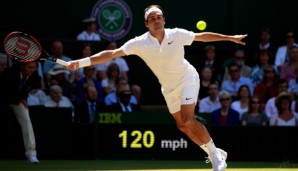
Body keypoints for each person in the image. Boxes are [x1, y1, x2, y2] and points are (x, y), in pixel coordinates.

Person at [67, 5, 247, 171]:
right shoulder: (139, 43)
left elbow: (202, 36)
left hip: (188, 80)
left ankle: (215, 155)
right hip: (168, 88)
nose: (156, 20)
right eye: (152, 18)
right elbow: (111, 54)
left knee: (188, 119)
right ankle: (215, 152)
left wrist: (229, 38)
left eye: (159, 17)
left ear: (164, 20)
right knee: (182, 126)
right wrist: (80, 63)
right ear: (146, 23)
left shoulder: (176, 34)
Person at [0, 61, 40, 163]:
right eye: (29, 67)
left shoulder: (34, 75)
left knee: (26, 121)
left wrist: (23, 98)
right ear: (21, 66)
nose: (32, 70)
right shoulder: (9, 73)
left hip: (17, 100)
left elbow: (26, 88)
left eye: (33, 67)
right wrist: (19, 98)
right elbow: (6, 91)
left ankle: (31, 154)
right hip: (4, 97)